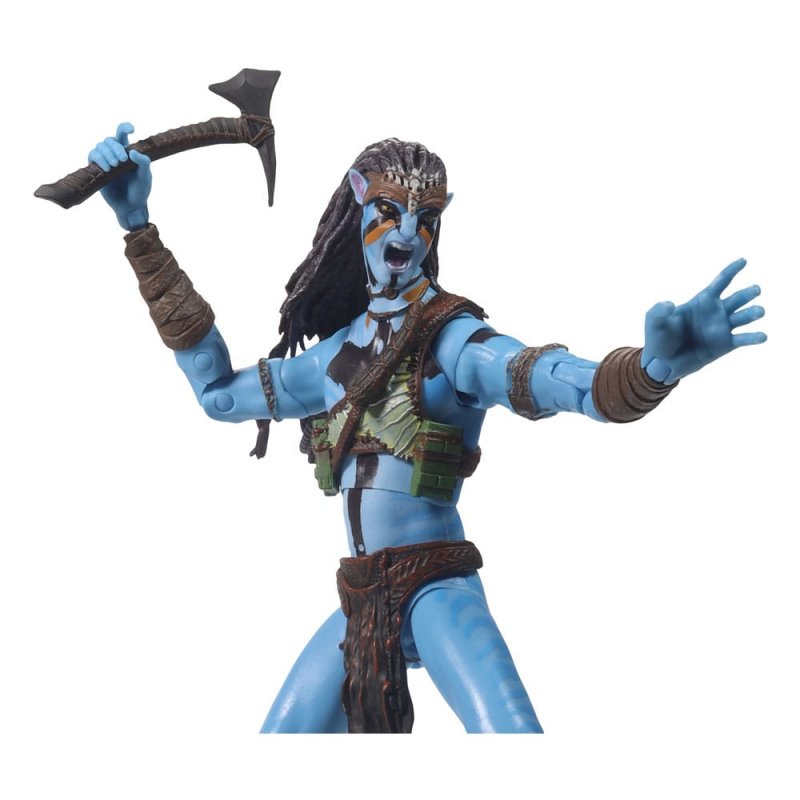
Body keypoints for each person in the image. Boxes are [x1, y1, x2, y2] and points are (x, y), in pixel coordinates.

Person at [88, 124, 766, 733]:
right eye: (390, 212)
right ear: (359, 206)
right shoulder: (334, 357)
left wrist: (648, 370)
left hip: (435, 585)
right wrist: (139, 230)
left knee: (512, 738)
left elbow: (543, 375)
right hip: (360, 596)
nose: (408, 233)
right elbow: (219, 396)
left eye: (426, 218)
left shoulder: (452, 339)